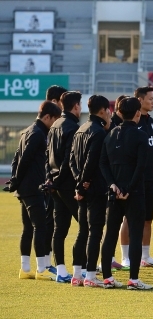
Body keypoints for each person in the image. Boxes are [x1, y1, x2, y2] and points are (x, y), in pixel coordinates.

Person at [99, 97, 152, 290]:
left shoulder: (110, 135)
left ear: (119, 112)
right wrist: (128, 188)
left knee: (110, 234)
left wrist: (113, 184)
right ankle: (134, 280)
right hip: (134, 192)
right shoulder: (140, 136)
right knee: (136, 235)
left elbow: (103, 163)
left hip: (113, 193)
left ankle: (107, 278)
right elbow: (141, 167)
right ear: (138, 113)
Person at [10, 101, 61, 280]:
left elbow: (16, 158)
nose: (55, 124)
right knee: (40, 227)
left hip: (25, 188)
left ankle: (25, 268)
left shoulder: (27, 131)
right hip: (34, 187)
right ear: (47, 117)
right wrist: (16, 180)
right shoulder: (39, 134)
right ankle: (41, 269)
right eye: (55, 120)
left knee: (28, 228)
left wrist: (15, 180)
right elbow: (24, 158)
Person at [120, 86, 153, 269]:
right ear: (139, 100)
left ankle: (145, 256)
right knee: (128, 218)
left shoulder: (152, 122)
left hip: (150, 178)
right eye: (150, 99)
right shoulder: (130, 123)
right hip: (133, 179)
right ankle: (126, 257)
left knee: (148, 218)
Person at [69, 95, 112, 287]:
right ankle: (91, 276)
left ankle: (77, 274)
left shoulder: (80, 129)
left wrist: (78, 182)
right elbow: (92, 161)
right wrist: (84, 182)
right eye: (108, 109)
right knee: (95, 232)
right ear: (102, 110)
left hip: (82, 188)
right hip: (94, 188)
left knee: (82, 232)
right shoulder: (99, 132)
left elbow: (71, 160)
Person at [46, 91, 82, 283]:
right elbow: (70, 159)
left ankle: (61, 271)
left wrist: (50, 179)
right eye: (80, 105)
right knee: (85, 226)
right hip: (67, 184)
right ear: (75, 106)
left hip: (55, 184)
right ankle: (81, 269)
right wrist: (60, 180)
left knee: (60, 229)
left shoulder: (55, 125)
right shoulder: (72, 127)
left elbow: (47, 156)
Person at [42, 85, 67, 269]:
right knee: (46, 222)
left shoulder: (54, 126)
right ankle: (44, 263)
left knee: (52, 223)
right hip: (48, 183)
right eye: (61, 100)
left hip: (51, 181)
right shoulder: (44, 128)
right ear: (54, 102)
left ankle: (47, 262)